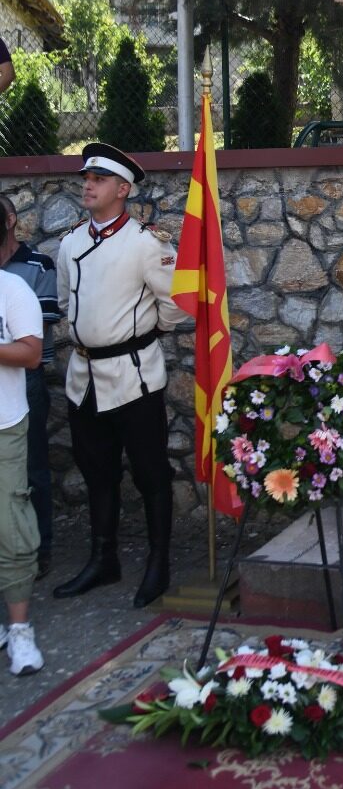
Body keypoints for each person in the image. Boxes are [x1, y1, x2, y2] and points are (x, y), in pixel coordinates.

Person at [54, 143, 186, 608]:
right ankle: (103, 559)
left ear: (123, 190)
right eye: (86, 179)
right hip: (83, 376)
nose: (88, 186)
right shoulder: (70, 242)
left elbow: (175, 306)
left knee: (151, 473)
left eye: (99, 180)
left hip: (133, 377)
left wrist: (140, 334)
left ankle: (158, 563)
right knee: (97, 471)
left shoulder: (147, 244)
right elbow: (66, 302)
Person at [0, 193, 61, 578]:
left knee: (32, 464)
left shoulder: (37, 264)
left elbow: (41, 321)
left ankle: (39, 549)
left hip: (27, 378)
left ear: (10, 221)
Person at [0, 266, 44, 675]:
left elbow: (30, 354)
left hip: (4, 426)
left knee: (12, 528)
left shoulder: (11, 289)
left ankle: (20, 630)